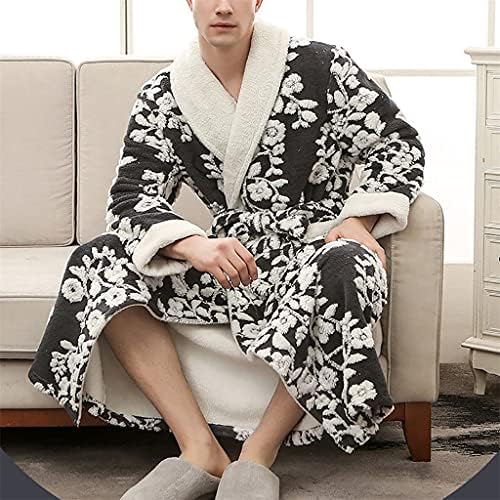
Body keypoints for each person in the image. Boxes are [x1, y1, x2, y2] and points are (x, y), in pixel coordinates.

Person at [28, 0, 425, 498]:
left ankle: (258, 454)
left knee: (348, 265)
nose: (222, 6)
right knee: (97, 260)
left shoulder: (323, 66)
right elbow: (131, 196)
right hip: (233, 261)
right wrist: (192, 244)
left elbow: (397, 143)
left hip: (315, 247)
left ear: (257, 0)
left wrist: (357, 220)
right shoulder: (164, 94)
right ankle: (199, 449)